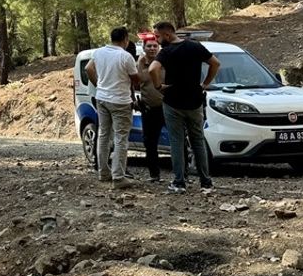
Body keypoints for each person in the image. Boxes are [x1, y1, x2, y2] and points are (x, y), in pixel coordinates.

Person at [149, 21, 220, 194]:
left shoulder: (166, 52)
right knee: (198, 140)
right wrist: (205, 83)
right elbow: (215, 63)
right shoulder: (195, 47)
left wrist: (159, 87)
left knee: (176, 141)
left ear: (167, 35)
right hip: (194, 101)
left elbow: (153, 69)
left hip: (173, 102)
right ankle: (206, 182)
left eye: (157, 36)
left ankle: (179, 182)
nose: (156, 41)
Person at [86, 27, 141, 186]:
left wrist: (99, 84)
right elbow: (135, 79)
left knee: (103, 135)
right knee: (121, 138)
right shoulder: (125, 56)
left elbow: (88, 68)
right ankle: (118, 176)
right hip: (120, 101)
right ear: (125, 39)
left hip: (101, 98)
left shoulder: (99, 52)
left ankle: (103, 172)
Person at [135, 33, 167, 183]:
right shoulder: (140, 63)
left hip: (167, 107)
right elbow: (136, 81)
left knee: (177, 139)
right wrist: (141, 64)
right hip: (149, 108)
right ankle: (154, 174)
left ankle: (183, 174)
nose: (152, 48)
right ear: (144, 48)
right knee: (150, 142)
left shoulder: (164, 62)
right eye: (149, 46)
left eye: (155, 46)